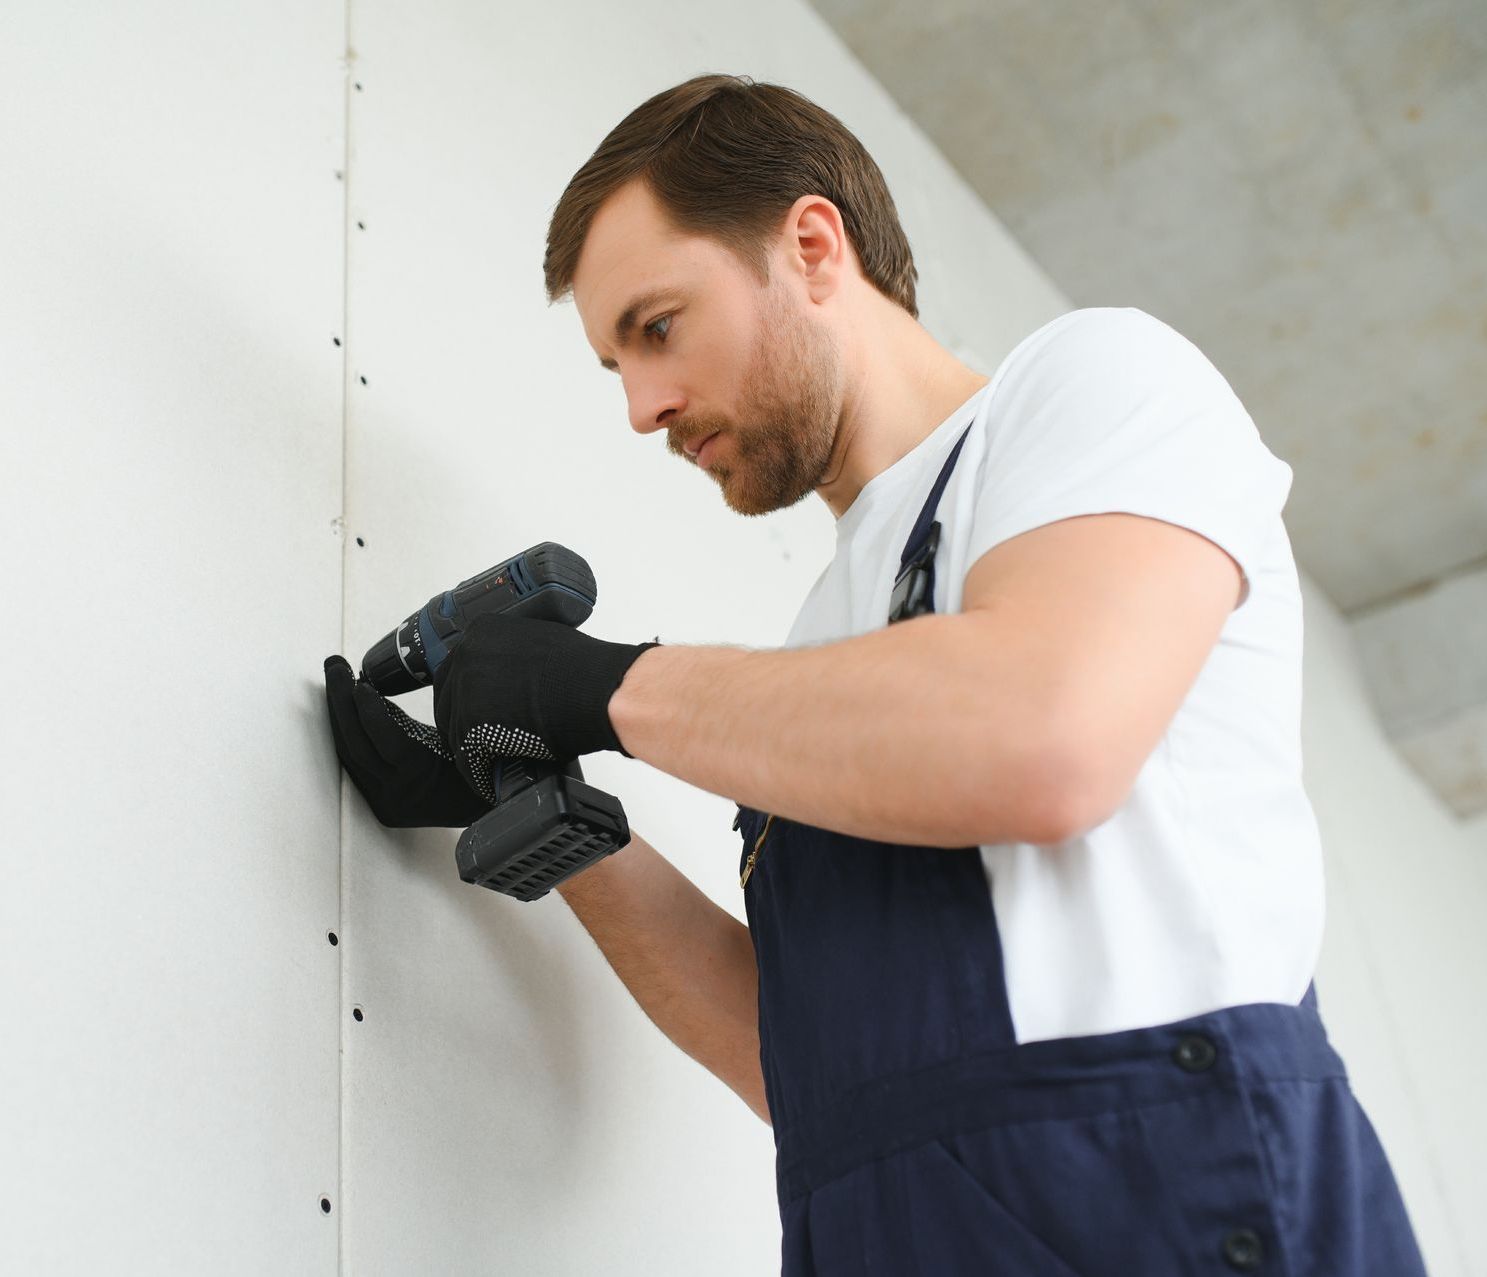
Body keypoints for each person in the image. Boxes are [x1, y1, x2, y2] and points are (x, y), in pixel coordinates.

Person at [324, 73, 1425, 1275]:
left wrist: (603, 685)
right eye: (614, 369)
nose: (643, 407)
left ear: (808, 246)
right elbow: (802, 1061)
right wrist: (545, 812)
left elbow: (1038, 736)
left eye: (656, 327)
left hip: (1158, 1191)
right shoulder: (822, 644)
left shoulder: (1095, 386)